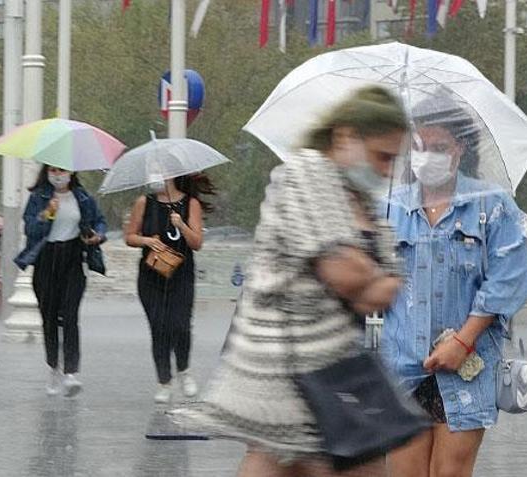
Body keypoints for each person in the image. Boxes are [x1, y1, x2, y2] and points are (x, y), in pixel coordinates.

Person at [172, 86, 408, 476]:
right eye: (383, 156)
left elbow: (383, 291)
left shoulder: (360, 198)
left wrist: (363, 272)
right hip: (282, 377)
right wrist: (367, 273)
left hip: (336, 371)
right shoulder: (305, 173)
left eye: (394, 160)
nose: (387, 170)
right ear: (346, 137)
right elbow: (347, 276)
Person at [380, 98, 527, 477]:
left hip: (467, 367)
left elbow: (511, 276)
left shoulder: (490, 205)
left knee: (450, 472)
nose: (426, 156)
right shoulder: (389, 208)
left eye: (439, 147)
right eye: (419, 146)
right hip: (403, 367)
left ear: (460, 148)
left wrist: (463, 341)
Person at [15, 165, 107, 397]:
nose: (58, 175)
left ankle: (71, 372)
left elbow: (99, 221)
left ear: (71, 172)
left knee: (70, 316)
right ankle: (54, 367)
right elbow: (30, 229)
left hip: (73, 258)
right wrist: (47, 213)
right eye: (53, 170)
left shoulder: (82, 197)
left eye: (62, 170)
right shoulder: (39, 197)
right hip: (46, 258)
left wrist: (98, 235)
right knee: (49, 317)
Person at [124, 174, 214, 403]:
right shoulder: (144, 202)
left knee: (180, 325)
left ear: (172, 175)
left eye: (160, 172)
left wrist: (181, 225)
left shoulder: (190, 203)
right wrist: (147, 241)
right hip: (151, 275)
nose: (155, 177)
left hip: (181, 275)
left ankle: (184, 370)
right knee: (159, 327)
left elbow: (197, 243)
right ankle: (164, 381)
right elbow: (130, 237)